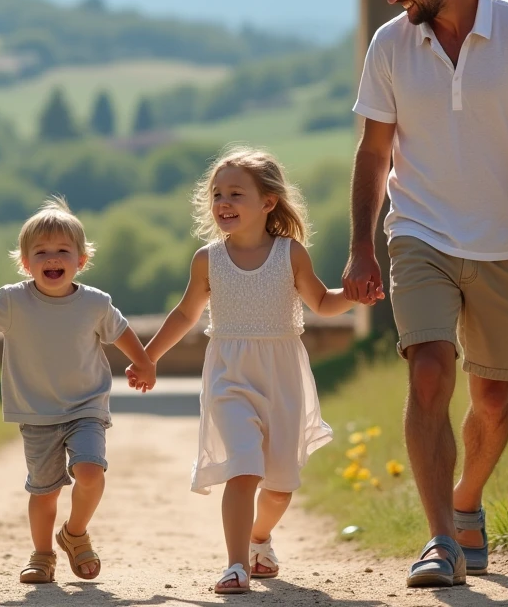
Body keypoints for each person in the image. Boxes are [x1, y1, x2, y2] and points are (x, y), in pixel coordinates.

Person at [343, 0, 508, 587]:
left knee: (494, 397)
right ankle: (441, 539)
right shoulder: (390, 44)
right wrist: (362, 245)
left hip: (507, 238)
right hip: (420, 229)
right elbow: (373, 151)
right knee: (427, 370)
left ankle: (467, 500)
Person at [141, 146, 353, 595]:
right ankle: (236, 565)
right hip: (229, 376)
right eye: (217, 194)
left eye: (236, 194)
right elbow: (185, 314)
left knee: (279, 487)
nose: (224, 202)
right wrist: (148, 356)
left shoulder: (290, 255)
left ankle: (260, 538)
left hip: (282, 377)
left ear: (268, 202)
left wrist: (354, 295)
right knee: (243, 468)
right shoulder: (208, 259)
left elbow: (321, 302)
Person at [0, 196, 157, 584]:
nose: (52, 258)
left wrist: (143, 362)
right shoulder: (13, 301)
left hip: (86, 407)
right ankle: (42, 555)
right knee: (44, 492)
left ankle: (74, 533)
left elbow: (121, 331)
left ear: (80, 260)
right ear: (26, 263)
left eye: (62, 251)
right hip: (36, 412)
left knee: (90, 471)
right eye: (41, 252)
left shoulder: (95, 303)